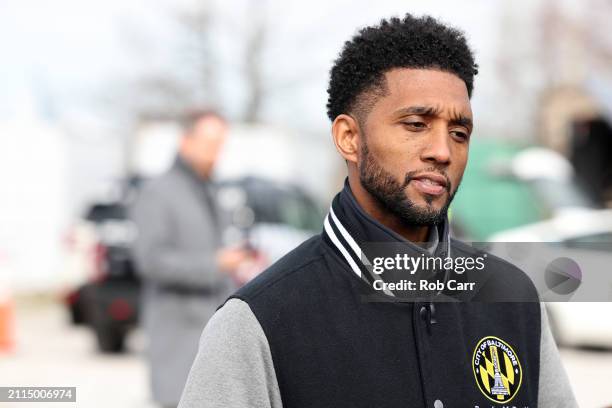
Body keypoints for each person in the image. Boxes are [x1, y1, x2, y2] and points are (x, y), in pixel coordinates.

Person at [178, 15, 578, 408]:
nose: (442, 151)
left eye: (459, 133)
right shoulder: (259, 322)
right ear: (349, 138)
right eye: (416, 124)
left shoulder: (513, 298)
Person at [130, 110, 252, 408]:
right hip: (178, 343)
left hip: (215, 337)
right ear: (185, 140)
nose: (216, 152)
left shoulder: (211, 191)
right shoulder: (158, 192)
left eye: (221, 143)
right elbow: (150, 261)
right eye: (210, 142)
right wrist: (216, 264)